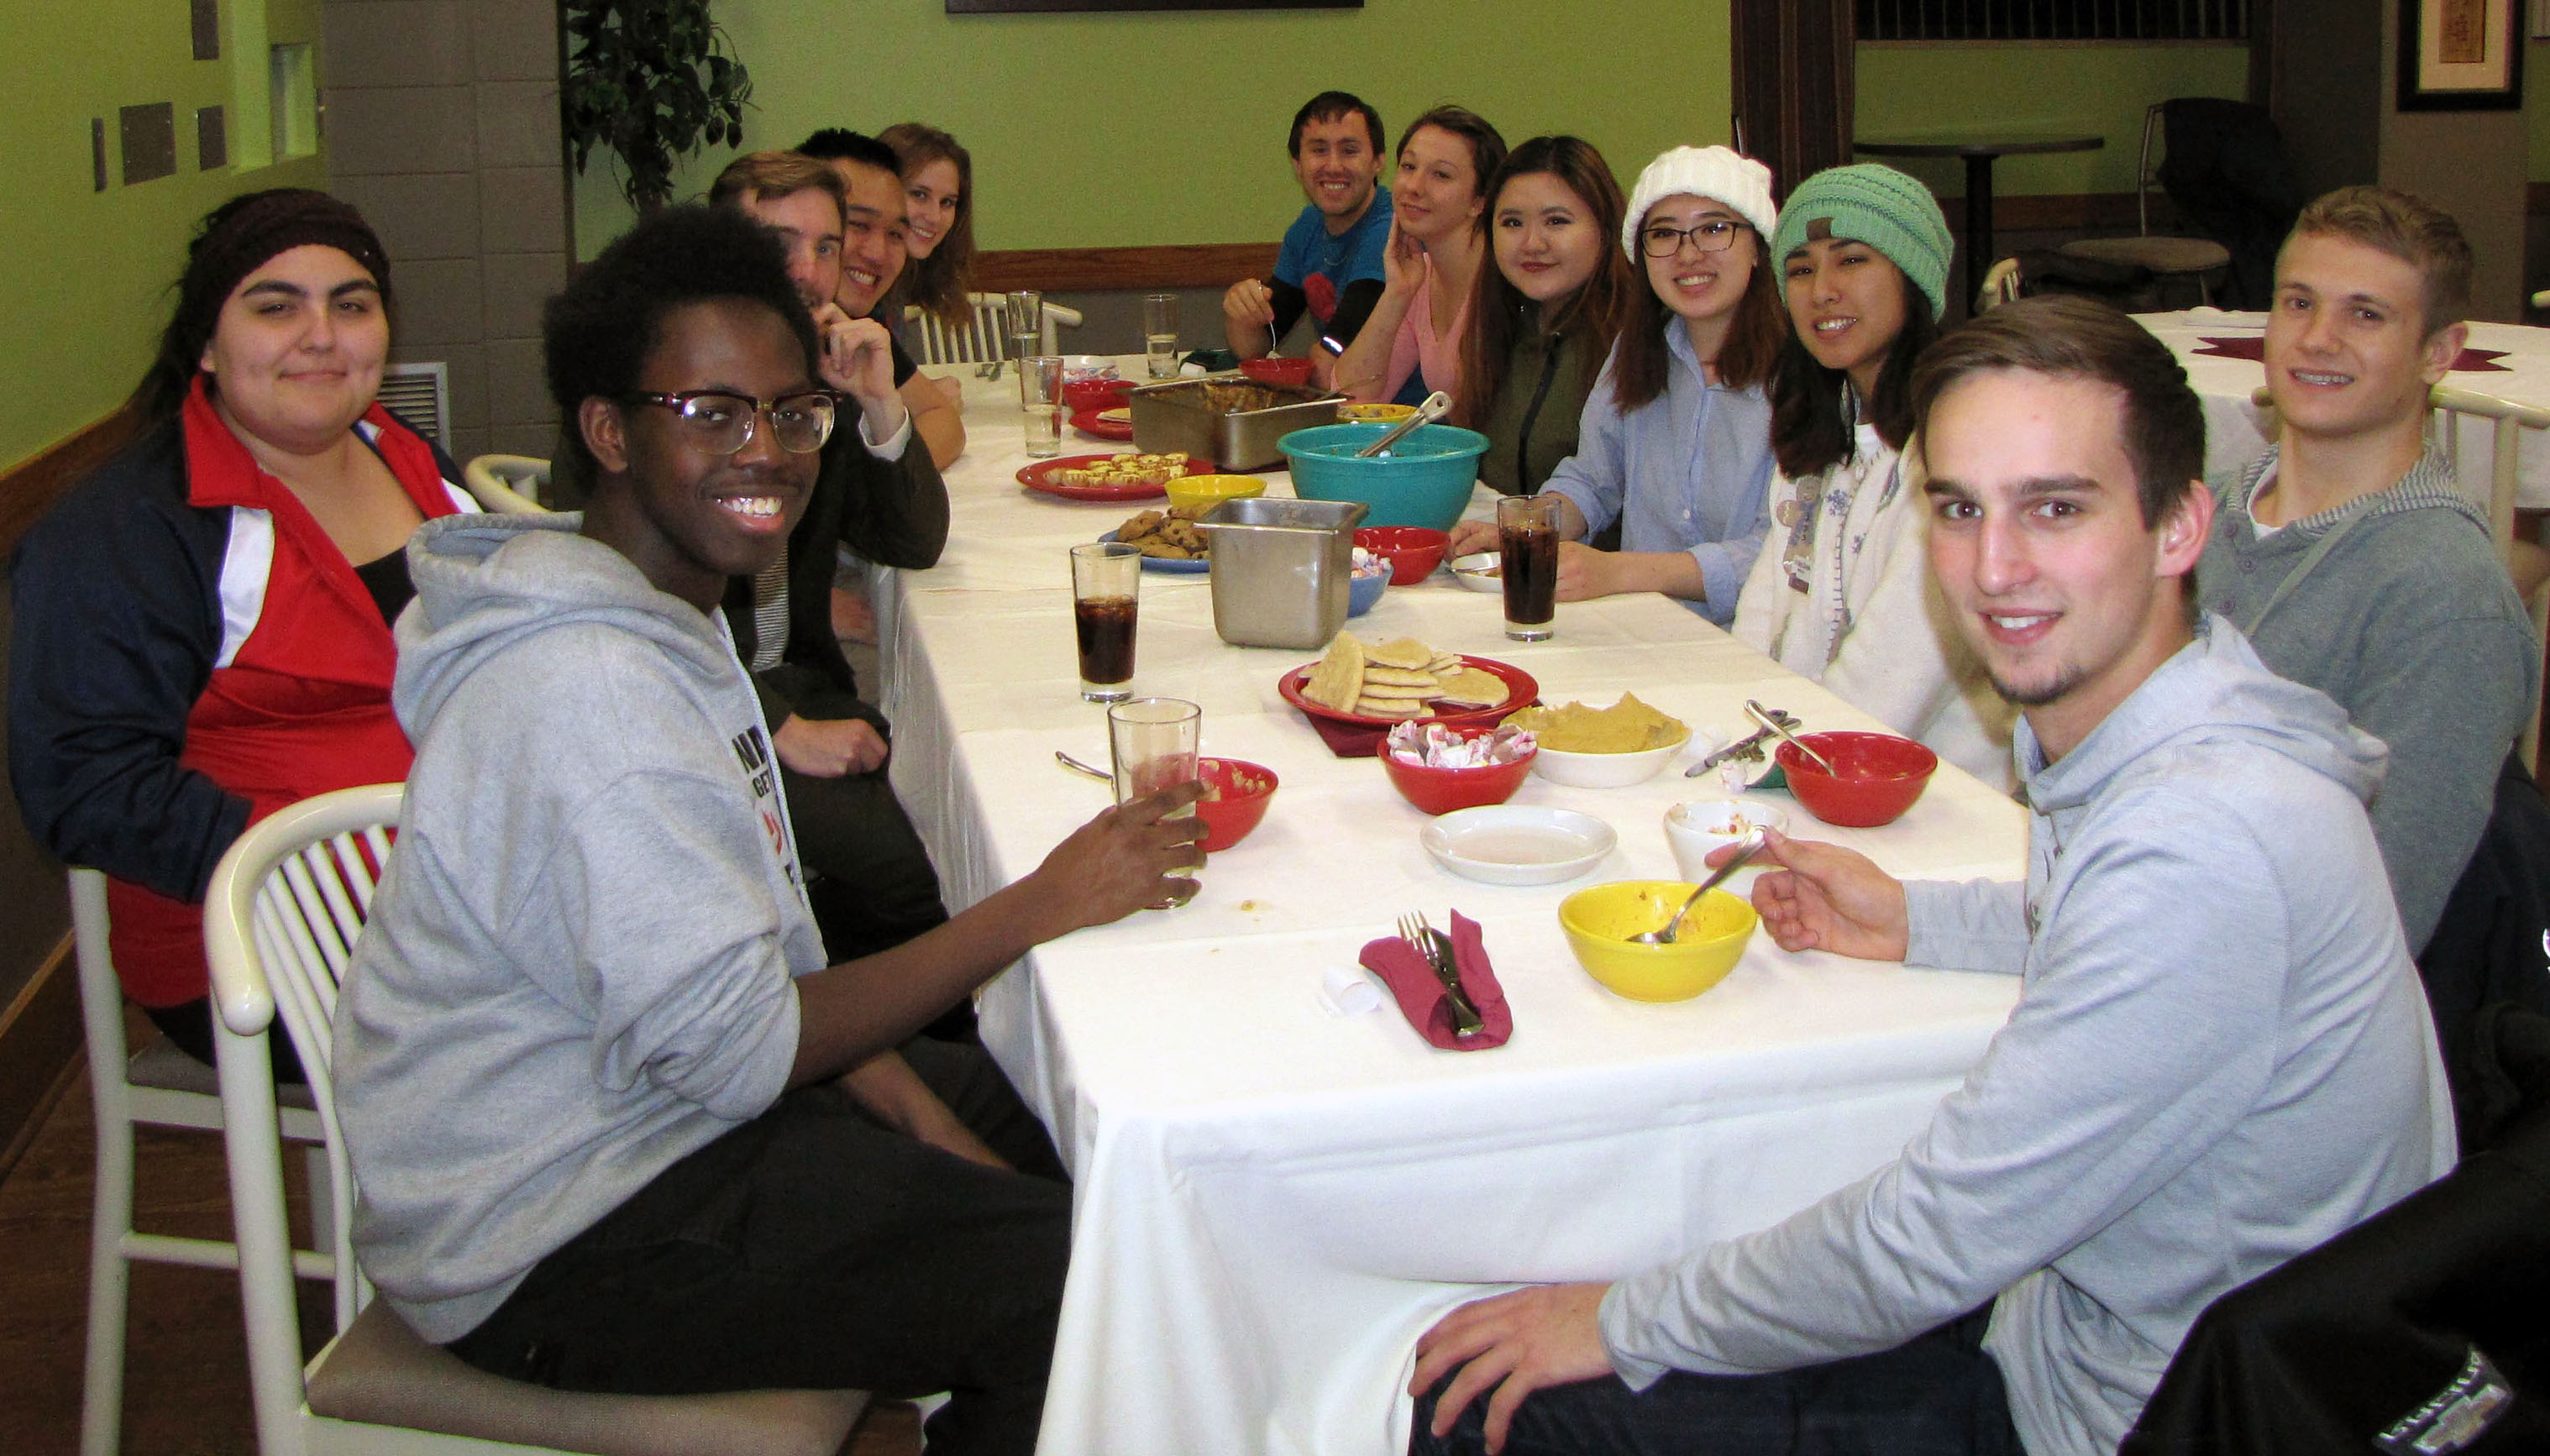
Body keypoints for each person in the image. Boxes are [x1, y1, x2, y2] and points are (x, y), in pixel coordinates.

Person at [1409, 294, 2453, 1456]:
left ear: (2178, 528)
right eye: (1959, 508)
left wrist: (1618, 1320)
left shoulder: (2206, 839)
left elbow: (1927, 1242)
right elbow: (2108, 925)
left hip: (2128, 1416)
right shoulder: (2187, 722)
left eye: (2056, 508)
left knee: (1496, 1401)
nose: (1995, 568)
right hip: (2072, 1322)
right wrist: (1914, 916)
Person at [333, 206, 1203, 1456]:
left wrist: (920, 1116)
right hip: (549, 1226)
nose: (769, 452)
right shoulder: (592, 691)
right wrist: (1039, 902)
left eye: (792, 413)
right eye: (713, 413)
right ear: (607, 432)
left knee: (1053, 1103)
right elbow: (743, 1046)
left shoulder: (660, 613)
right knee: (1078, 1289)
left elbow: (751, 976)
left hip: (662, 1107)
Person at [9, 188, 476, 1075]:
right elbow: (83, 783)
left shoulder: (405, 456)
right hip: (269, 937)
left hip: (461, 891)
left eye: (352, 305)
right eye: (275, 307)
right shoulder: (129, 529)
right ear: (206, 343)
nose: (321, 336)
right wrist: (335, 866)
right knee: (595, 1024)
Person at [2193, 185, 2538, 955]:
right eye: (2298, 303)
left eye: (2366, 315)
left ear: (2438, 352)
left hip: (2265, 993)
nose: (2319, 339)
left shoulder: (2444, 594)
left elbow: (2375, 926)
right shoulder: (2195, 518)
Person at [1730, 163, 2012, 788]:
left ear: (1913, 279)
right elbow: (1764, 611)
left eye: (1852, 261)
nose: (1822, 291)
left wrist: (1765, 767)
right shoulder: (1822, 429)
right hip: (1808, 762)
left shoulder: (1954, 451)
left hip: (1930, 793)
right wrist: (1734, 724)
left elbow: (1896, 678)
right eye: (1800, 270)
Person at [1446, 145, 1782, 623]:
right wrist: (1526, 527)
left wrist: (1621, 571)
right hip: (1643, 625)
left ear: (1759, 248)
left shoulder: (1803, 374)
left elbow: (1786, 551)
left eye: (1714, 229)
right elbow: (1593, 478)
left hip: (1754, 640)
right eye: (1663, 234)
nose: (1688, 253)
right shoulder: (1638, 348)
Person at [1452, 136, 1637, 502]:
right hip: (1504, 534)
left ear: (1605, 229)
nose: (1532, 244)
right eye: (1512, 223)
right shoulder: (1498, 329)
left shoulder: (1639, 342)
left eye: (1556, 221)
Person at [799, 128, 966, 469]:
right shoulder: (755, 339)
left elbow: (943, 419)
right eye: (859, 225)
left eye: (895, 234)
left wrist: (885, 475)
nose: (878, 253)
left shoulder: (856, 324)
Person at [1332, 105, 1506, 408]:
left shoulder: (1508, 281)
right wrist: (1397, 293)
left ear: (1480, 201)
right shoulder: (1421, 276)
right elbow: (1351, 397)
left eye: (1441, 175)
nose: (1413, 187)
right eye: (1409, 167)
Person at [1222, 91, 1393, 372]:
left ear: (1378, 162)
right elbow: (1255, 347)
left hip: (1410, 400)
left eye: (1349, 151)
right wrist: (1242, 311)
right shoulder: (1308, 226)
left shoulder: (1392, 228)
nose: (1334, 166)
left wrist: (1316, 361)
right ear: (1298, 165)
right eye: (1319, 150)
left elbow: (1333, 359)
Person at [879, 122, 976, 425]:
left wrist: (921, 396)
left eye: (947, 203)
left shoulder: (897, 279)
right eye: (919, 195)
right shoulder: (854, 283)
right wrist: (925, 402)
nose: (934, 217)